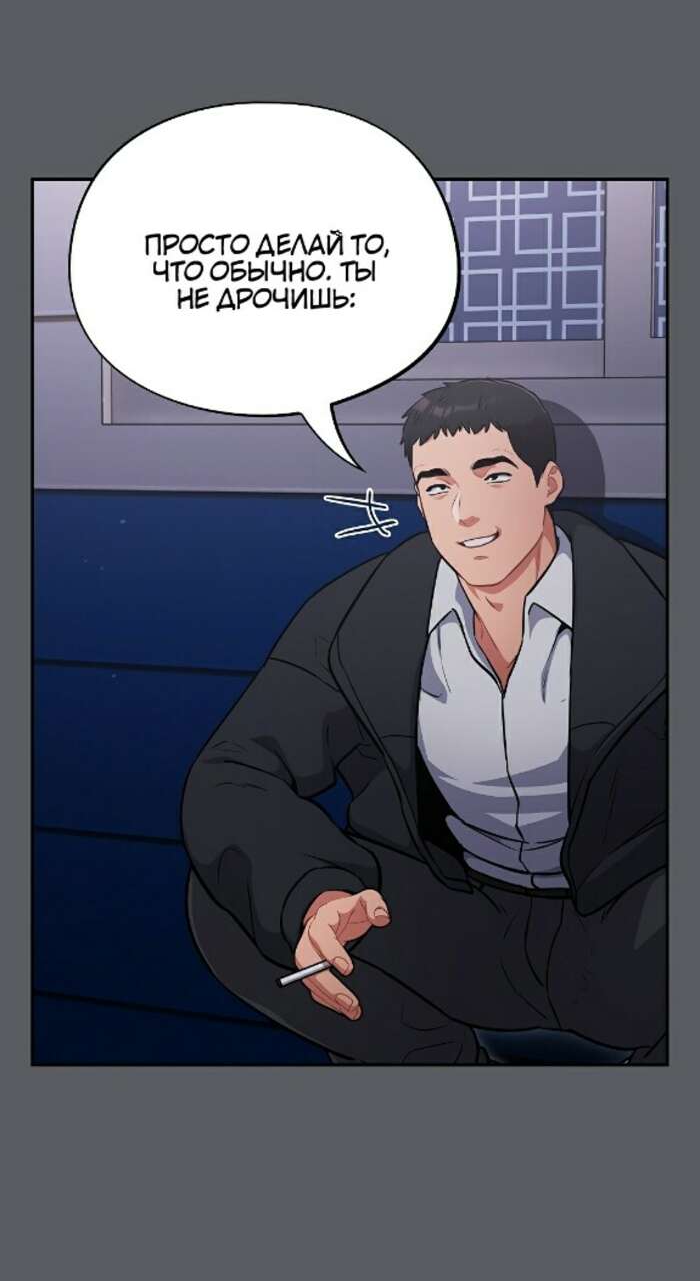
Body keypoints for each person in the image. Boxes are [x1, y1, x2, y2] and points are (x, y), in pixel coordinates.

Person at [182, 379, 666, 1063]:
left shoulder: (659, 605)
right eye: (438, 487)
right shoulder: (360, 615)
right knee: (237, 907)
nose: (465, 512)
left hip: (627, 927)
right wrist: (313, 898)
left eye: (493, 476)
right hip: (455, 917)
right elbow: (236, 769)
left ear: (548, 482)